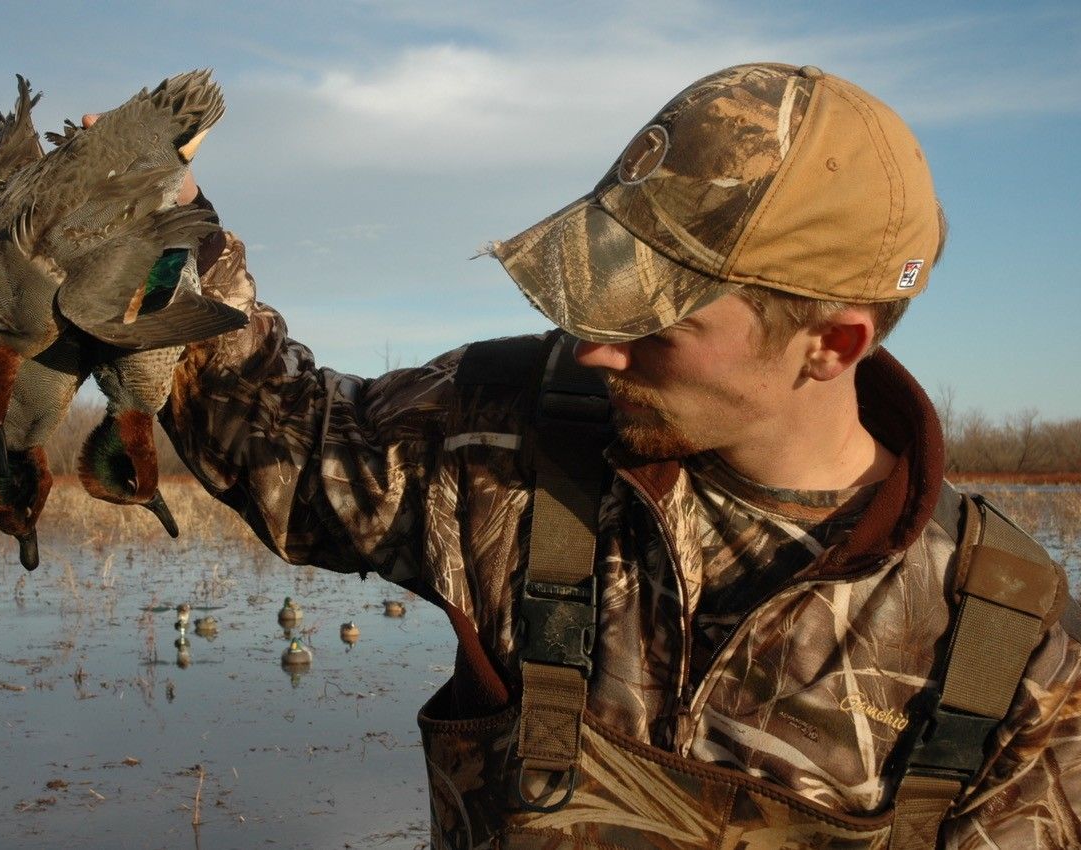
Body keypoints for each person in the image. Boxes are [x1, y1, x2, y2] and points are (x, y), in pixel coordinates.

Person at [155, 63, 1081, 848]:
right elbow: (285, 441)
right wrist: (168, 235)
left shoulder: (1010, 646)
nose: (594, 347)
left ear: (832, 345)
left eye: (655, 320)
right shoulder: (517, 436)